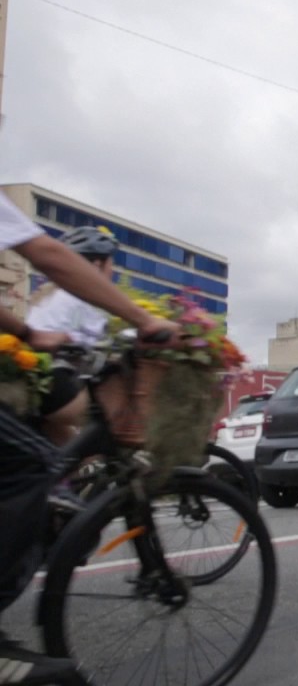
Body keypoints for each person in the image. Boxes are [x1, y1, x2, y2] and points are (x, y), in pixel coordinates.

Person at [1, 193, 180, 682]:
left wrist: (26, 332)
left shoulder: (59, 300)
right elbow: (48, 254)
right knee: (38, 460)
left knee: (46, 442)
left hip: (33, 360)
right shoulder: (77, 290)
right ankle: (61, 494)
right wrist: (147, 321)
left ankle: (63, 494)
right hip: (46, 373)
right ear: (99, 263)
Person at [24, 227, 119, 446]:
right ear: (96, 265)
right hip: (57, 383)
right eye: (111, 264)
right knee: (114, 411)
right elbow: (100, 345)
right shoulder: (82, 298)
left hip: (34, 379)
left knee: (64, 450)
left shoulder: (50, 294)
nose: (113, 270)